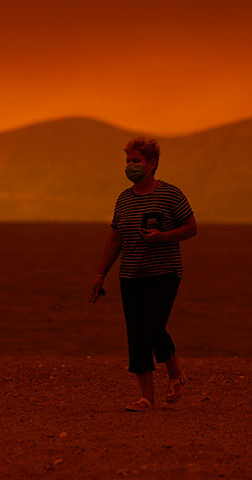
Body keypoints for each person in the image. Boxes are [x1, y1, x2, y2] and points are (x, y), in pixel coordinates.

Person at [90, 136, 197, 412]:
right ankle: (146, 398)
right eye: (128, 161)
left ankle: (176, 374)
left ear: (152, 164)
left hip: (164, 273)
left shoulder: (170, 194)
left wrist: (163, 236)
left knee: (153, 328)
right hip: (131, 275)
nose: (131, 166)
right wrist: (101, 274)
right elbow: (115, 239)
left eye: (136, 161)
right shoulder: (124, 199)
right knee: (136, 335)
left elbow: (191, 227)